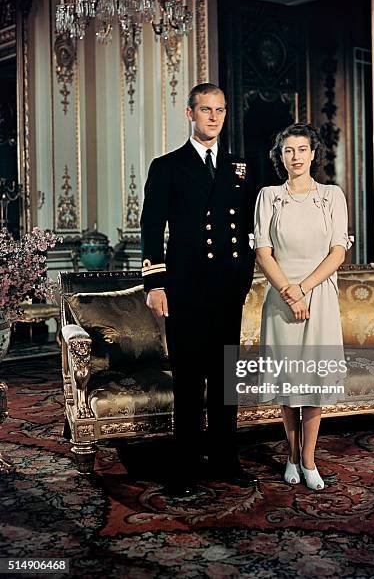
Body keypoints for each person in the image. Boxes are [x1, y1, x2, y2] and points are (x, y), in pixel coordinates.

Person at [140, 83, 258, 496]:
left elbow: (247, 227)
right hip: (185, 289)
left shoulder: (240, 167)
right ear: (190, 114)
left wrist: (245, 275)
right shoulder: (168, 165)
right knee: (189, 381)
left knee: (226, 378)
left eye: (220, 110)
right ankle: (186, 465)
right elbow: (151, 227)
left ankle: (226, 459)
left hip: (228, 289)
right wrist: (155, 282)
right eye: (205, 110)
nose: (213, 117)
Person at [254, 123, 352, 490]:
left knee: (313, 383)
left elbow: (338, 251)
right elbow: (263, 250)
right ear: (280, 156)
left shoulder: (331, 195)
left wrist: (305, 290)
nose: (295, 157)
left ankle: (308, 460)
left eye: (302, 149)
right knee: (287, 382)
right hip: (280, 297)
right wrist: (288, 292)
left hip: (319, 295)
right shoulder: (268, 196)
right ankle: (290, 455)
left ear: (314, 154)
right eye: (288, 150)